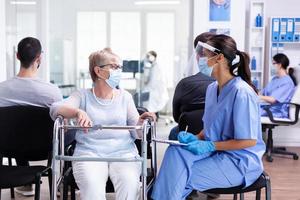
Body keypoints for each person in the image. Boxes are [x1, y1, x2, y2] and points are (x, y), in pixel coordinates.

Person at [151, 34, 266, 199]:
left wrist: (209, 146)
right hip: (216, 154)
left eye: (204, 54)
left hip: (239, 162)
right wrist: (196, 137)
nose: (200, 59)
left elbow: (248, 141)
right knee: (175, 151)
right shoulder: (212, 89)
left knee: (178, 176)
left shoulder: (242, 93)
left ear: (219, 58)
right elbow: (212, 126)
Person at [50, 48, 155, 200]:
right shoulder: (82, 95)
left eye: (119, 67)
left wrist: (141, 122)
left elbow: (136, 133)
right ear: (98, 71)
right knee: (92, 187)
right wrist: (78, 112)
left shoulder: (125, 97)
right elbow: (54, 109)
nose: (119, 71)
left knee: (129, 184)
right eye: (114, 66)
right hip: (89, 153)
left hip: (123, 153)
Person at [0, 37, 62, 196]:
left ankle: (27, 183)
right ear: (39, 58)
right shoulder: (51, 91)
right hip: (43, 149)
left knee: (17, 128)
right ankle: (62, 183)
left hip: (9, 149)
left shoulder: (1, 90)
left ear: (17, 56)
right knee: (66, 130)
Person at [169, 32, 215, 140]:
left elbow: (177, 117)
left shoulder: (184, 84)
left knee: (174, 132)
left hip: (189, 136)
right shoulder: (229, 84)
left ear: (197, 56)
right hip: (221, 139)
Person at [260, 53, 296, 118]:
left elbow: (273, 100)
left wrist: (258, 97)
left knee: (248, 112)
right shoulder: (275, 79)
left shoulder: (287, 82)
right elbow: (263, 93)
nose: (271, 66)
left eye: (273, 64)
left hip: (275, 111)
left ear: (279, 65)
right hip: (267, 107)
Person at [143, 51, 169, 118]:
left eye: (149, 56)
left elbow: (154, 81)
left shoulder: (157, 66)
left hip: (156, 91)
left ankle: (152, 115)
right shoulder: (154, 66)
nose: (148, 58)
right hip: (155, 90)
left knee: (150, 102)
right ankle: (153, 114)